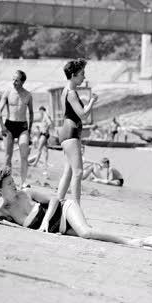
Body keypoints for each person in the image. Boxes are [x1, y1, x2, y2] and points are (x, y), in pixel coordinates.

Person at [0, 168, 138, 245]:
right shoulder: (4, 212)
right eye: (9, 184)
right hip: (61, 229)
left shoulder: (26, 193)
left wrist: (45, 222)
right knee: (94, 235)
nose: (14, 185)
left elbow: (55, 199)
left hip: (65, 210)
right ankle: (144, 241)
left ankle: (129, 242)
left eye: (13, 181)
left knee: (86, 233)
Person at [50, 59, 97, 209]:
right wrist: (92, 102)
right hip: (71, 133)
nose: (84, 77)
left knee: (69, 171)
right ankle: (76, 208)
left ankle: (57, 203)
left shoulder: (66, 90)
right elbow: (83, 115)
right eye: (82, 74)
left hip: (66, 133)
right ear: (73, 75)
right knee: (78, 172)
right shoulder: (71, 93)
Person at [0, 70, 34, 187]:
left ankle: (23, 182)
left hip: (23, 126)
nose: (14, 82)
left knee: (24, 155)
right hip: (9, 126)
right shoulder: (8, 92)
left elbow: (32, 113)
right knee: (8, 156)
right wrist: (2, 126)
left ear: (22, 81)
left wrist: (30, 130)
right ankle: (6, 182)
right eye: (13, 79)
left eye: (17, 80)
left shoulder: (28, 95)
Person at [28, 105, 53, 170]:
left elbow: (49, 123)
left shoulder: (45, 115)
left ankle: (35, 163)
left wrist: (46, 130)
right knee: (45, 150)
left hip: (44, 134)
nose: (39, 113)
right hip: (45, 134)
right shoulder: (46, 115)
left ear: (41, 110)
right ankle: (45, 164)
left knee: (39, 149)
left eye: (40, 111)